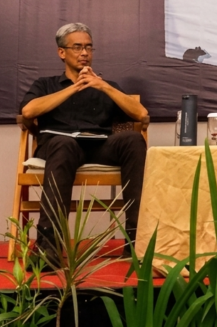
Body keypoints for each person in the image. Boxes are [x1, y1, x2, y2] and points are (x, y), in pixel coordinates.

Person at [20, 23, 148, 263]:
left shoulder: (104, 85)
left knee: (132, 139)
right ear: (62, 52)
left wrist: (104, 86)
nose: (84, 53)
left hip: (98, 146)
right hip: (60, 148)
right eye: (77, 47)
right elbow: (28, 111)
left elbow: (141, 114)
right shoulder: (45, 85)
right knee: (63, 143)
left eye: (88, 47)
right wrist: (73, 88)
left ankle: (137, 244)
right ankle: (49, 250)